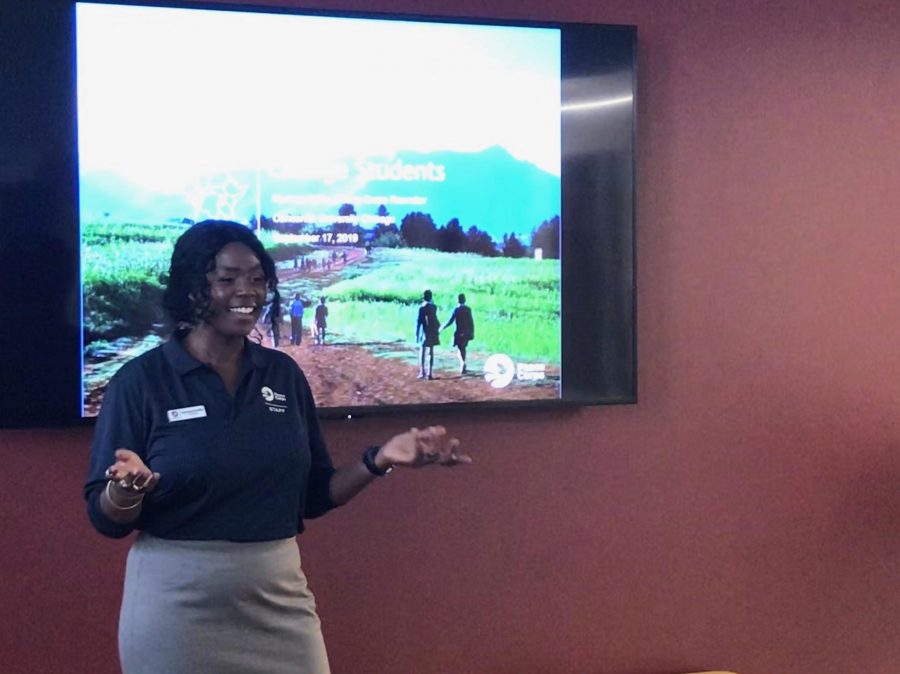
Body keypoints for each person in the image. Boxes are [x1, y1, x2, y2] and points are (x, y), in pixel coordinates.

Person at [83, 220, 470, 674]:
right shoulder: (142, 381)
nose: (247, 291)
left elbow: (313, 495)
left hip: (278, 598)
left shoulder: (282, 375)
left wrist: (379, 460)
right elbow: (105, 518)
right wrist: (125, 492)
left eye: (256, 278)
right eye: (227, 279)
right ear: (192, 289)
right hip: (175, 604)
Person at [442, 293, 475, 374]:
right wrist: (472, 331)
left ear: (458, 300)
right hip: (467, 331)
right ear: (464, 300)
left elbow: (450, 321)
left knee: (460, 349)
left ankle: (462, 363)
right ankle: (463, 363)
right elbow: (471, 321)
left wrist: (443, 327)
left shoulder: (456, 309)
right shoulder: (468, 309)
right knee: (463, 348)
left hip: (459, 332)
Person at [415, 289, 440, 380]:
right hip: (433, 330)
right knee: (431, 351)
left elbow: (419, 321)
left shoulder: (422, 307)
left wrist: (417, 333)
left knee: (422, 351)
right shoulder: (434, 307)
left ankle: (422, 372)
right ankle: (430, 372)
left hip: (425, 330)